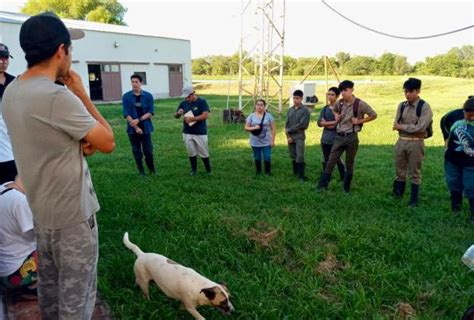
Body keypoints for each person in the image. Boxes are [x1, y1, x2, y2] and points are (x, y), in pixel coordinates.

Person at [2, 12, 115, 319]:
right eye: (71, 49)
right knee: (76, 303)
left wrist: (81, 141)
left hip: (42, 215)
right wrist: (80, 93)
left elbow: (75, 145)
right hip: (73, 220)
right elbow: (106, 142)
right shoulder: (57, 97)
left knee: (50, 297)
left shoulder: (12, 92)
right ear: (60, 51)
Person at [318, 80, 377, 192]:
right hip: (339, 136)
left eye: (346, 90)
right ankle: (322, 186)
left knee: (349, 163)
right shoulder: (339, 103)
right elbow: (334, 110)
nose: (343, 93)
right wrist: (336, 116)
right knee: (331, 160)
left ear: (352, 90)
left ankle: (346, 187)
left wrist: (359, 121)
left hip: (351, 137)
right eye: (342, 91)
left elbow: (373, 115)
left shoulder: (359, 103)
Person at [392, 78, 433, 207]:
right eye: (405, 92)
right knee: (399, 170)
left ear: (418, 91)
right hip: (401, 141)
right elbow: (395, 124)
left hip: (416, 142)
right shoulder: (402, 105)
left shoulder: (424, 107)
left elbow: (421, 127)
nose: (407, 94)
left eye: (410, 92)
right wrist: (409, 127)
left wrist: (403, 127)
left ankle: (413, 200)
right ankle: (397, 194)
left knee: (415, 172)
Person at [0, 177, 38, 295]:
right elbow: (42, 236)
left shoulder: (4, 187)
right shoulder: (20, 202)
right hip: (16, 273)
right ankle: (32, 288)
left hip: (4, 268)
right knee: (63, 249)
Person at [444, 97, 474, 222]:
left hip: (471, 164)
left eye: (473, 116)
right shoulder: (457, 124)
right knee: (453, 183)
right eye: (468, 115)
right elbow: (449, 140)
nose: (470, 118)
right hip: (453, 161)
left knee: (471, 186)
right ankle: (455, 208)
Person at [122, 74, 156, 175]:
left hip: (146, 127)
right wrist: (136, 127)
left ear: (141, 83)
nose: (134, 84)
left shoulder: (148, 96)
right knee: (137, 152)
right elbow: (126, 114)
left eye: (136, 82)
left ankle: (152, 170)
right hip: (132, 129)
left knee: (148, 151)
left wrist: (139, 120)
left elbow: (150, 112)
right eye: (132, 82)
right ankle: (141, 172)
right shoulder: (126, 97)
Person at [175, 87, 211, 176]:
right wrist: (178, 113)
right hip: (187, 131)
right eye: (185, 97)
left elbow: (205, 115)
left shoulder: (202, 102)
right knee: (191, 152)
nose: (186, 99)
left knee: (203, 152)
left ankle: (208, 170)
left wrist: (192, 119)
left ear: (193, 94)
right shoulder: (183, 103)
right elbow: (176, 116)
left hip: (200, 131)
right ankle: (194, 170)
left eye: (188, 97)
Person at [317, 87, 346, 180]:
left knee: (337, 158)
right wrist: (333, 122)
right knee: (326, 158)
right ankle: (327, 176)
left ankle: (343, 176)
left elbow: (338, 124)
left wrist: (327, 123)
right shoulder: (325, 109)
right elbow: (319, 123)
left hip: (336, 137)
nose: (329, 96)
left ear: (337, 96)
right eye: (328, 94)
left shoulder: (341, 109)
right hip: (325, 137)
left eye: (332, 95)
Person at [0, 43, 18, 184]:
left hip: (16, 147)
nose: (2, 61)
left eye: (5, 58)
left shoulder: (15, 82)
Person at [244, 99, 276, 175]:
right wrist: (254, 128)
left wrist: (273, 140)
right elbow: (246, 128)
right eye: (258, 105)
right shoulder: (251, 116)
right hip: (255, 141)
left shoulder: (269, 116)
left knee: (267, 157)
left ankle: (267, 173)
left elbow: (273, 129)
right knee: (257, 157)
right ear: (255, 106)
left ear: (264, 106)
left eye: (261, 105)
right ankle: (258, 172)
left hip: (266, 141)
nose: (259, 106)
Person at [285, 89, 311, 181]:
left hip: (299, 136)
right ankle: (295, 173)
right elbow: (286, 124)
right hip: (290, 136)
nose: (295, 100)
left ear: (301, 98)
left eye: (297, 98)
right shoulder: (290, 110)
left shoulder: (305, 111)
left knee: (300, 155)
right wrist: (288, 136)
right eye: (294, 98)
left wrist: (290, 130)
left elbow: (303, 125)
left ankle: (301, 176)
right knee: (293, 155)